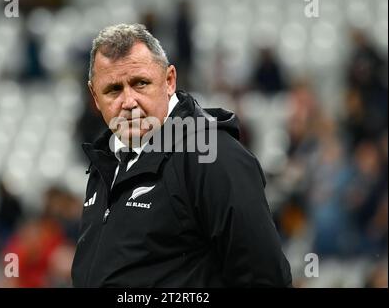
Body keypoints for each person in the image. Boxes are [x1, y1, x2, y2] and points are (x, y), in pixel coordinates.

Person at [71, 23, 292, 287]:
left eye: (140, 83)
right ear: (95, 97)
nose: (128, 101)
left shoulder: (212, 156)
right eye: (113, 90)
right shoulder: (106, 163)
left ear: (169, 81)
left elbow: (265, 278)